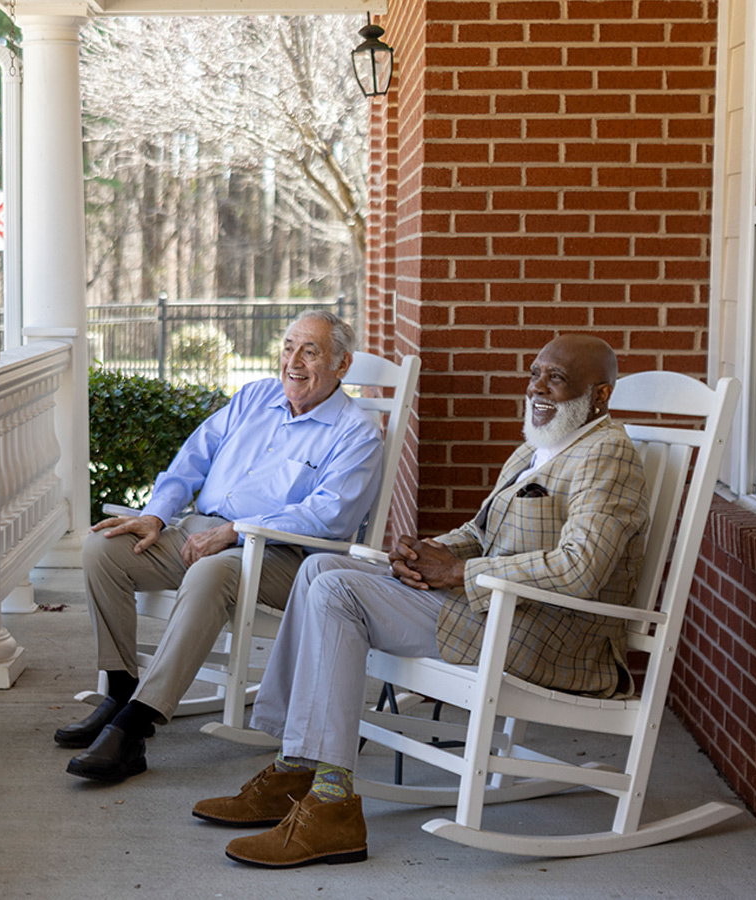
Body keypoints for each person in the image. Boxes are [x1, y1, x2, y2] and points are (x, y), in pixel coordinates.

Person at [194, 333, 650, 869]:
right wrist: (429, 549)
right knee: (320, 566)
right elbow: (480, 532)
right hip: (490, 609)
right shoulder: (539, 445)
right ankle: (296, 767)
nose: (537, 389)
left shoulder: (608, 454)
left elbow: (582, 567)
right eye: (533, 374)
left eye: (556, 379)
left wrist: (459, 571)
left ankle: (331, 802)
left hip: (536, 630)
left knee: (338, 590)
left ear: (599, 396)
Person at [58, 310, 385, 783]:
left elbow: (330, 515)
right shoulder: (256, 397)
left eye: (310, 351)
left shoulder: (356, 434)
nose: (294, 361)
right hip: (200, 531)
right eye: (289, 346)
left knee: (211, 573)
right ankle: (121, 687)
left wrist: (236, 530)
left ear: (342, 364)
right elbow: (194, 456)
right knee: (104, 549)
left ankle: (134, 725)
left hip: (282, 556)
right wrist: (156, 513)